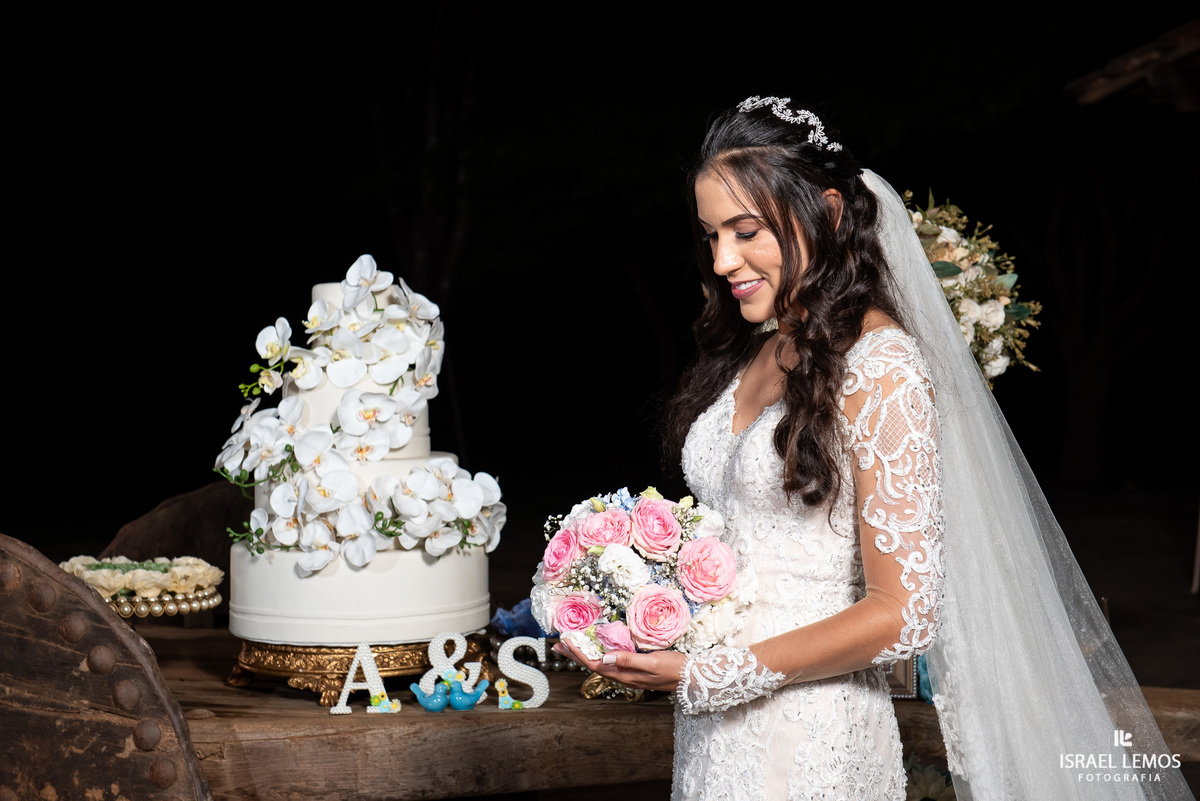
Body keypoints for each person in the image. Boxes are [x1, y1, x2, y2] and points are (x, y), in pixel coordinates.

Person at [558, 97, 1194, 801]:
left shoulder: (881, 365)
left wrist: (716, 673)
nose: (722, 260)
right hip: (713, 732)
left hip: (809, 735)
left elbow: (904, 610)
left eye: (745, 231)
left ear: (828, 212)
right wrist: (635, 604)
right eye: (711, 235)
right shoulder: (761, 348)